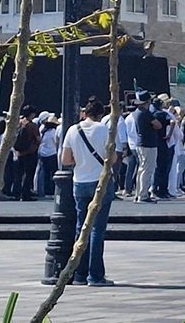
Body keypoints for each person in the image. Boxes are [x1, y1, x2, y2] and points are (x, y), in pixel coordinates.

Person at [60, 99, 116, 286]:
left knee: (81, 228)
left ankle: (79, 273)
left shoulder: (72, 130)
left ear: (85, 113)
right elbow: (112, 157)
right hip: (100, 181)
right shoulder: (104, 130)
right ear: (101, 114)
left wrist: (80, 161)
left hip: (80, 181)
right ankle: (95, 275)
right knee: (97, 230)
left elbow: (65, 160)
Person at [133, 92, 162, 204]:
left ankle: (138, 193)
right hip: (148, 144)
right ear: (148, 101)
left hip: (140, 143)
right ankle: (143, 195)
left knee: (141, 169)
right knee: (147, 170)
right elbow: (158, 125)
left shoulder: (137, 112)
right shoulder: (146, 113)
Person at [12, 106, 41, 201]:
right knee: (29, 174)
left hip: (19, 152)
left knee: (18, 174)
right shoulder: (32, 126)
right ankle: (26, 194)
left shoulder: (19, 123)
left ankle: (17, 192)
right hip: (30, 152)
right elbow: (38, 139)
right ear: (31, 114)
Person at [38, 114, 60, 198]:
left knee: (46, 173)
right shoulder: (53, 131)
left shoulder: (43, 130)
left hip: (43, 153)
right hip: (52, 153)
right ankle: (52, 191)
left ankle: (46, 191)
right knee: (53, 173)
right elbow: (56, 142)